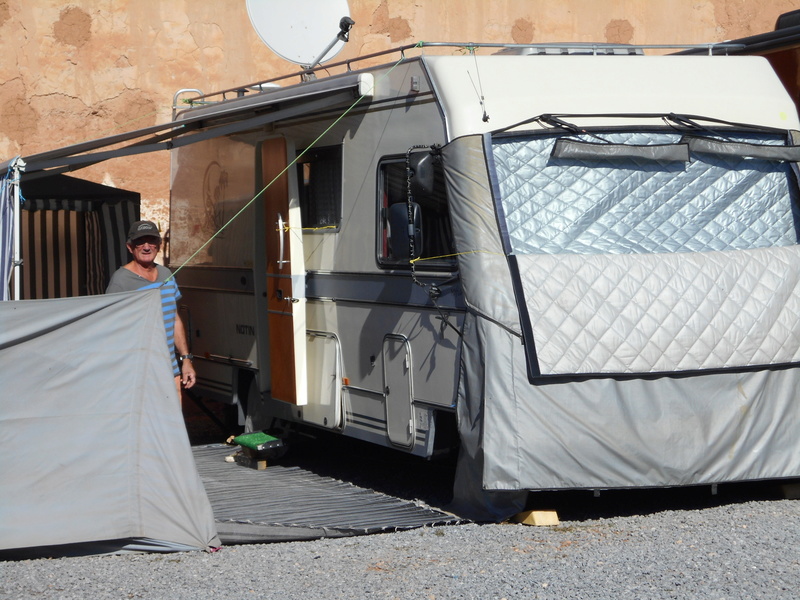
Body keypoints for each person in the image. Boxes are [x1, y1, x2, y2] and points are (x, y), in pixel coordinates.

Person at [106, 220, 196, 395]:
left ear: (159, 246)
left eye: (151, 241)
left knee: (172, 422)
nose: (146, 247)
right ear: (130, 247)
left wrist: (186, 359)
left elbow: (175, 319)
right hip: (137, 374)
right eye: (140, 241)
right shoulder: (121, 280)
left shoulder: (166, 274)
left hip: (170, 371)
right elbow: (111, 329)